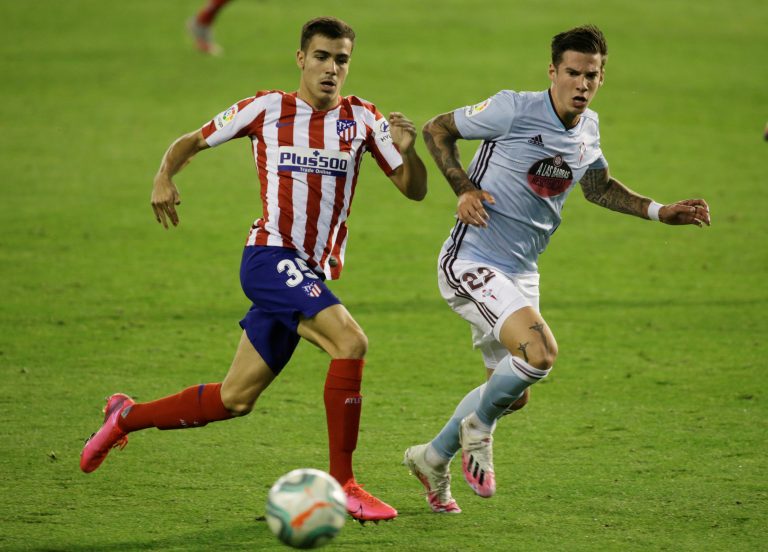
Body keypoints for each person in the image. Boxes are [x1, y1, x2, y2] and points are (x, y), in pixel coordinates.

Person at [81, 16, 427, 523]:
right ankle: (344, 483)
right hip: (268, 257)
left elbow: (413, 188)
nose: (331, 68)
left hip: (307, 273)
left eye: (342, 59)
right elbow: (191, 141)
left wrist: (410, 151)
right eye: (322, 57)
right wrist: (163, 176)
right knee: (350, 342)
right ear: (301, 59)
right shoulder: (267, 108)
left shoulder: (365, 120)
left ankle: (124, 418)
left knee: (234, 398)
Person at [403, 24, 710, 514]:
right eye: (572, 73)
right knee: (540, 354)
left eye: (591, 75)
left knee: (511, 390)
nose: (581, 84)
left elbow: (598, 187)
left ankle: (431, 457)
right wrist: (462, 187)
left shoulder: (588, 128)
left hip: (522, 271)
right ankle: (478, 432)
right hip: (472, 259)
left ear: (602, 77)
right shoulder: (514, 108)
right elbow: (437, 128)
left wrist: (658, 211)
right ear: (553, 72)